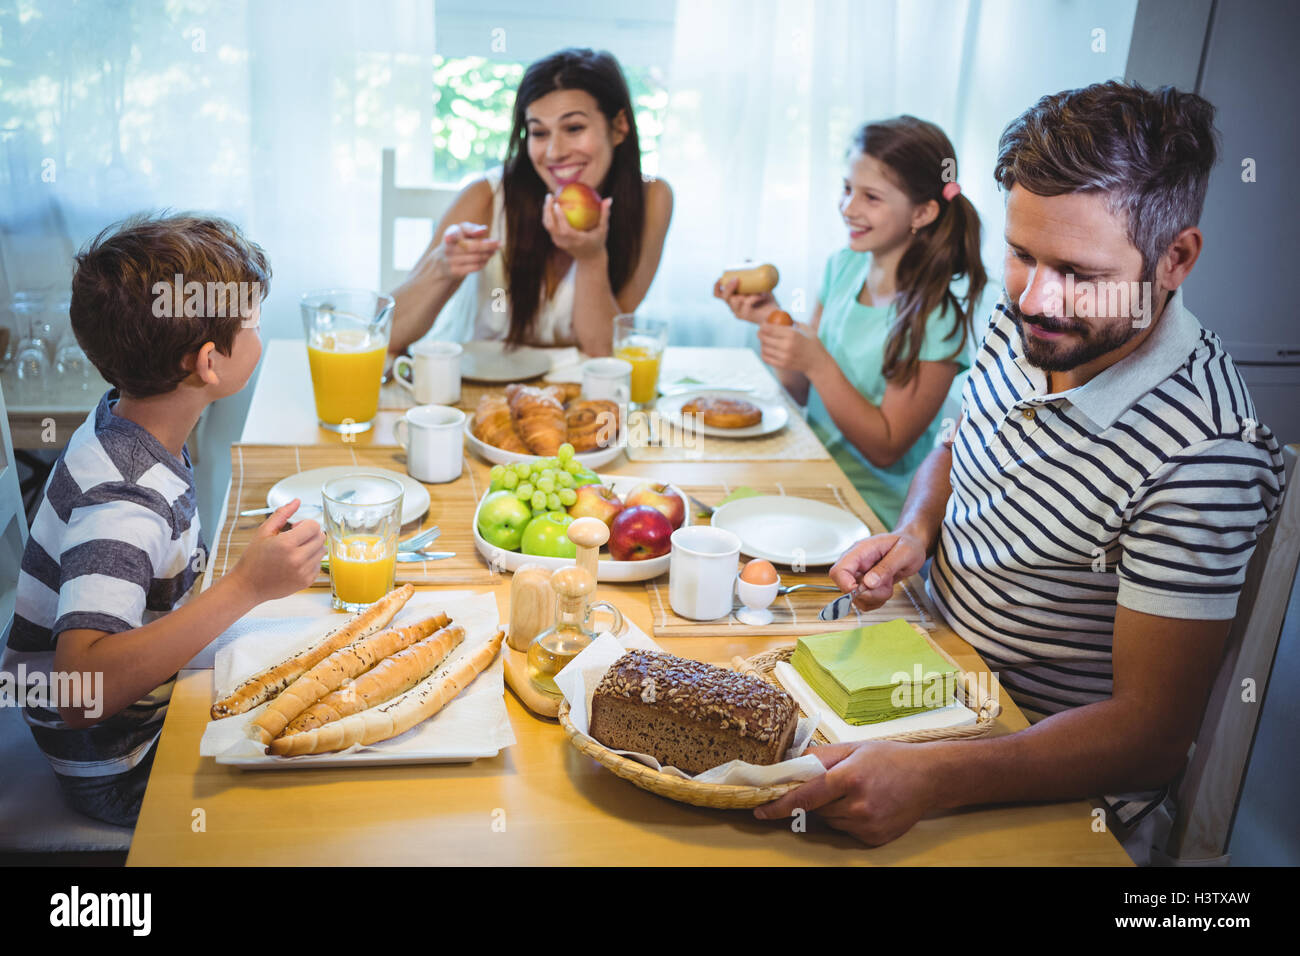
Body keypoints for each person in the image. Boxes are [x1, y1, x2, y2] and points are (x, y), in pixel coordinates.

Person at [755, 82, 1286, 861]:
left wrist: (934, 777)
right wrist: (918, 529)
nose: (1035, 298)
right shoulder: (1036, 318)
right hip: (923, 669)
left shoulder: (1206, 451)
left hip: (1025, 768)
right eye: (1022, 254)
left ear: (1176, 258)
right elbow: (954, 441)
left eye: (1076, 270)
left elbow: (1148, 739)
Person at [1, 215, 326, 826]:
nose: (260, 331)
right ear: (208, 363)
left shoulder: (128, 421)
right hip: (119, 767)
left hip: (147, 717)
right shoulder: (123, 501)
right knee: (320, 798)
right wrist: (245, 588)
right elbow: (80, 692)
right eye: (253, 322)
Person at [715, 116, 985, 530]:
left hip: (868, 507)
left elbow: (886, 448)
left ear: (923, 211)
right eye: (846, 189)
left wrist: (817, 361)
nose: (848, 208)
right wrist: (772, 318)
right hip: (812, 465)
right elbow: (803, 390)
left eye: (871, 197)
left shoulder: (938, 320)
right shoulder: (843, 267)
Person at [389, 48, 674, 356]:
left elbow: (604, 353)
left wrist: (591, 258)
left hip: (577, 396)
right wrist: (442, 270)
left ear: (619, 127)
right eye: (539, 132)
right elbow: (386, 337)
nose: (554, 152)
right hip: (473, 389)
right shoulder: (486, 197)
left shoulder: (652, 199)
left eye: (574, 128)